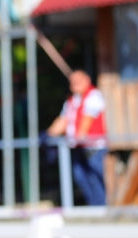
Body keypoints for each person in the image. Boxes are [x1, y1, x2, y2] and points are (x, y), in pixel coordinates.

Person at [45, 70, 108, 206]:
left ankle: (105, 210)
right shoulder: (72, 100)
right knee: (83, 180)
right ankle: (96, 210)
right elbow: (63, 121)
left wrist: (74, 139)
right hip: (79, 149)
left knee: (98, 179)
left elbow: (86, 123)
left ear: (87, 79)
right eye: (72, 81)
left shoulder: (93, 96)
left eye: (78, 80)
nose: (75, 84)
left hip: (95, 149)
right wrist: (47, 135)